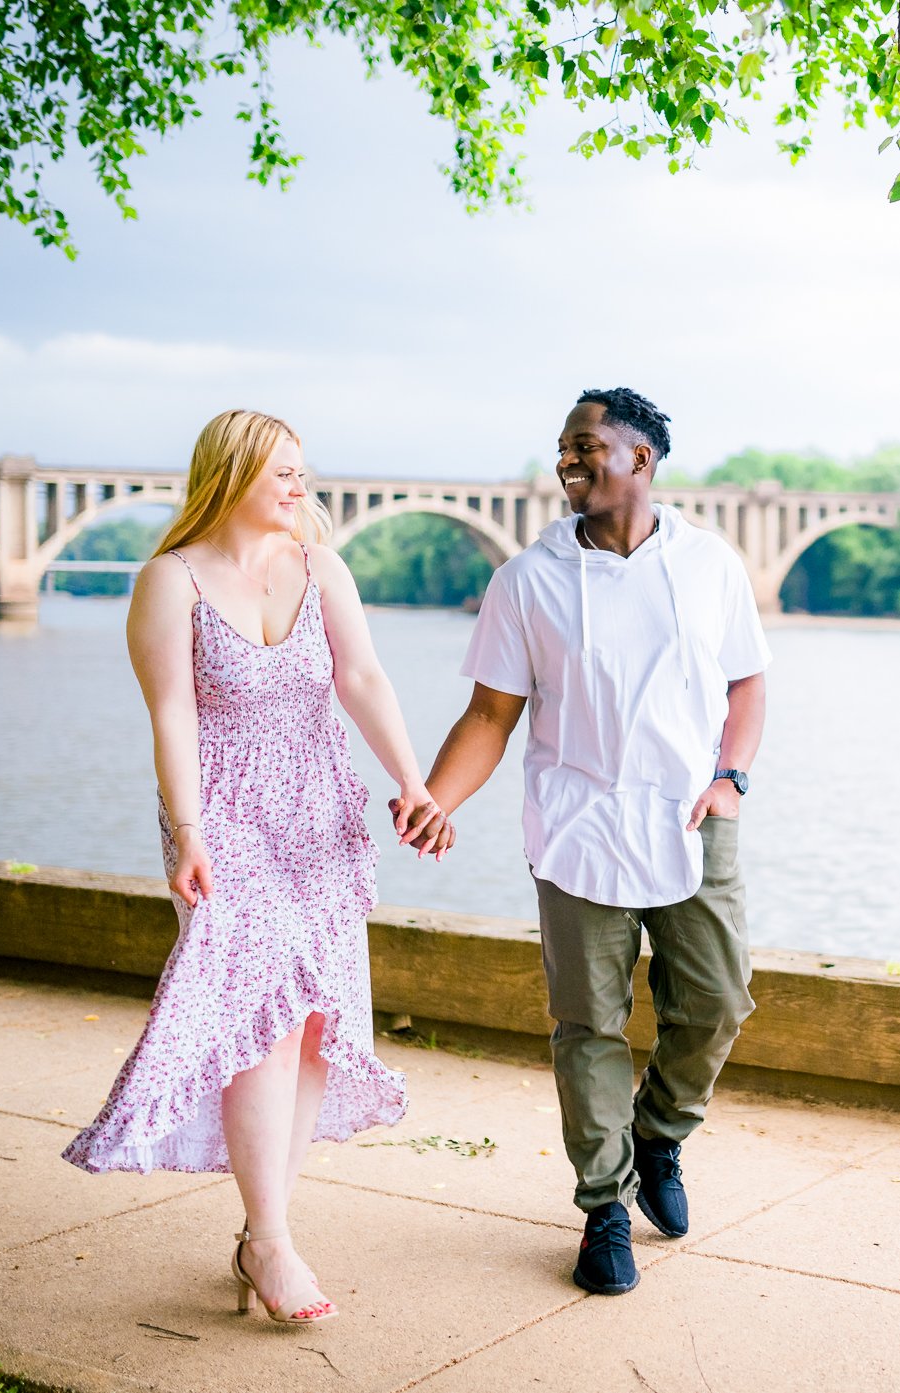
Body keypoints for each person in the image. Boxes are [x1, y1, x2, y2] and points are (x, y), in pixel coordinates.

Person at [64, 408, 448, 1324]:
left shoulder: (323, 567)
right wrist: (188, 828)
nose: (298, 486)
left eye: (302, 471)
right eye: (281, 471)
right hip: (224, 813)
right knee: (261, 1015)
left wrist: (410, 781)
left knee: (312, 1017)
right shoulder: (172, 581)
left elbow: (362, 680)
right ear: (230, 474)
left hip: (317, 810)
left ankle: (260, 1228)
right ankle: (271, 1241)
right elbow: (173, 715)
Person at [393, 387, 770, 1296]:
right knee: (587, 1024)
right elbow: (490, 712)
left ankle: (659, 1134)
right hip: (575, 824)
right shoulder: (527, 579)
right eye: (562, 445)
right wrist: (435, 798)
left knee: (718, 1001)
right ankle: (604, 1208)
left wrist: (730, 779)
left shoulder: (709, 564)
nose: (567, 459)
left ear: (640, 458)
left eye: (586, 444)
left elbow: (747, 684)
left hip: (689, 816)